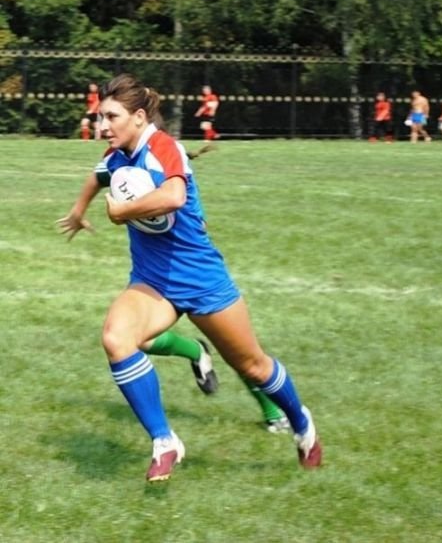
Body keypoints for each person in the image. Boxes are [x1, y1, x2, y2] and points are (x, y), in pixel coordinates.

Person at [58, 73, 321, 483]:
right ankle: (165, 441)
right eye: (99, 116)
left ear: (139, 117)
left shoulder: (163, 146)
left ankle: (301, 422)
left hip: (201, 279)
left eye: (110, 116)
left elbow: (174, 196)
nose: (101, 126)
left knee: (253, 367)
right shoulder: (116, 158)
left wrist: (120, 212)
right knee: (116, 339)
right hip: (152, 281)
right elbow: (98, 178)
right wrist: (78, 211)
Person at [144, 330, 290, 433]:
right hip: (158, 285)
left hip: (207, 288)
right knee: (136, 336)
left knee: (236, 348)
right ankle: (195, 351)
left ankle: (275, 414)